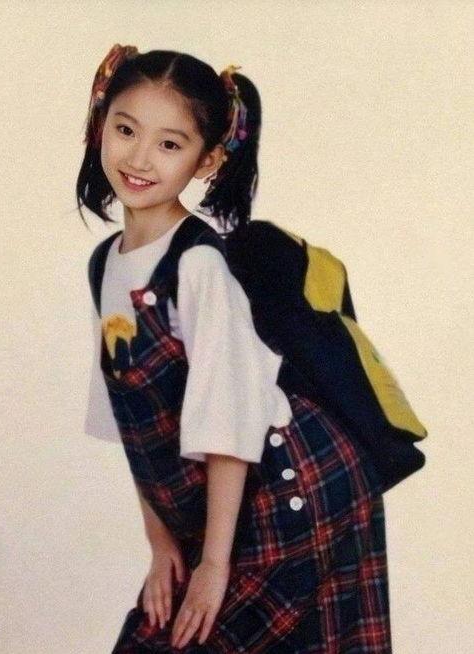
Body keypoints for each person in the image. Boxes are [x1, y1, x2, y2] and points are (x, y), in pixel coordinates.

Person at [78, 44, 392, 653]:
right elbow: (130, 425)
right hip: (216, 511)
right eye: (126, 130)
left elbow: (228, 425)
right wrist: (162, 546)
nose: (139, 158)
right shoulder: (104, 265)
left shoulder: (198, 265)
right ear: (99, 124)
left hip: (293, 489)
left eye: (170, 144)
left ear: (208, 160)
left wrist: (213, 565)